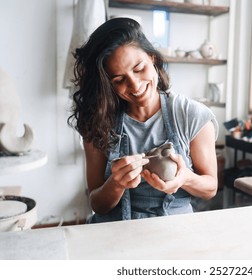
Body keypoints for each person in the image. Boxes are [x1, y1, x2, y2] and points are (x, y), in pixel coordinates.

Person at [67, 17, 219, 223]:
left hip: (175, 230)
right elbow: (97, 203)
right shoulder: (97, 121)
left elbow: (210, 188)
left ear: (152, 58)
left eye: (139, 69)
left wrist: (185, 178)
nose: (135, 85)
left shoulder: (191, 115)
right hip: (115, 231)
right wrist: (116, 184)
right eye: (119, 80)